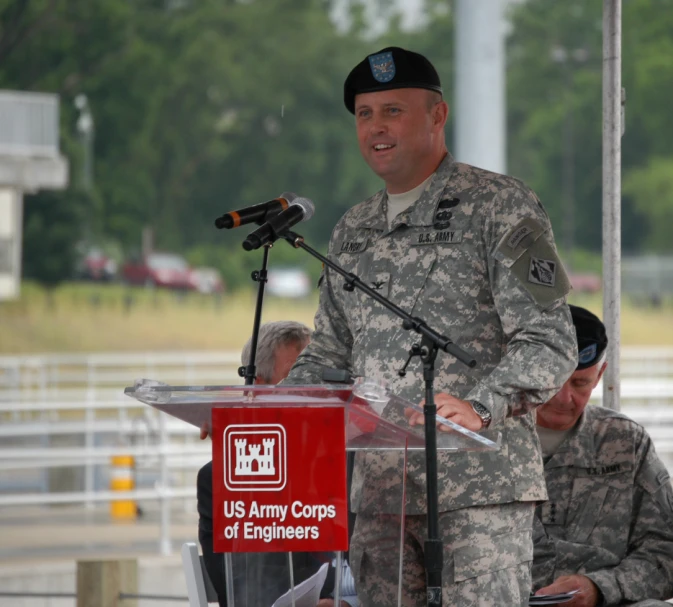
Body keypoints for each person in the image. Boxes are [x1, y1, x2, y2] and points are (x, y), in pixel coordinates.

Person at [282, 46, 578, 607]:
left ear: (437, 116)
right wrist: (261, 411)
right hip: (381, 500)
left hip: (477, 494)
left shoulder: (500, 206)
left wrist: (481, 404)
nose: (376, 128)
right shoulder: (354, 229)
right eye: (365, 115)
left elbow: (550, 338)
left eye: (393, 111)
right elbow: (328, 356)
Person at [197, 320, 359, 607]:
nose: (313, 394)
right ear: (257, 391)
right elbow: (239, 586)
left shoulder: (356, 466)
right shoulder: (223, 480)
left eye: (319, 380)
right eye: (296, 380)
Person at [532, 305, 673, 607]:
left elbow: (666, 553)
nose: (563, 398)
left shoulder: (625, 442)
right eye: (553, 381)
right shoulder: (485, 441)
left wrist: (599, 587)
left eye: (580, 383)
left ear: (600, 376)